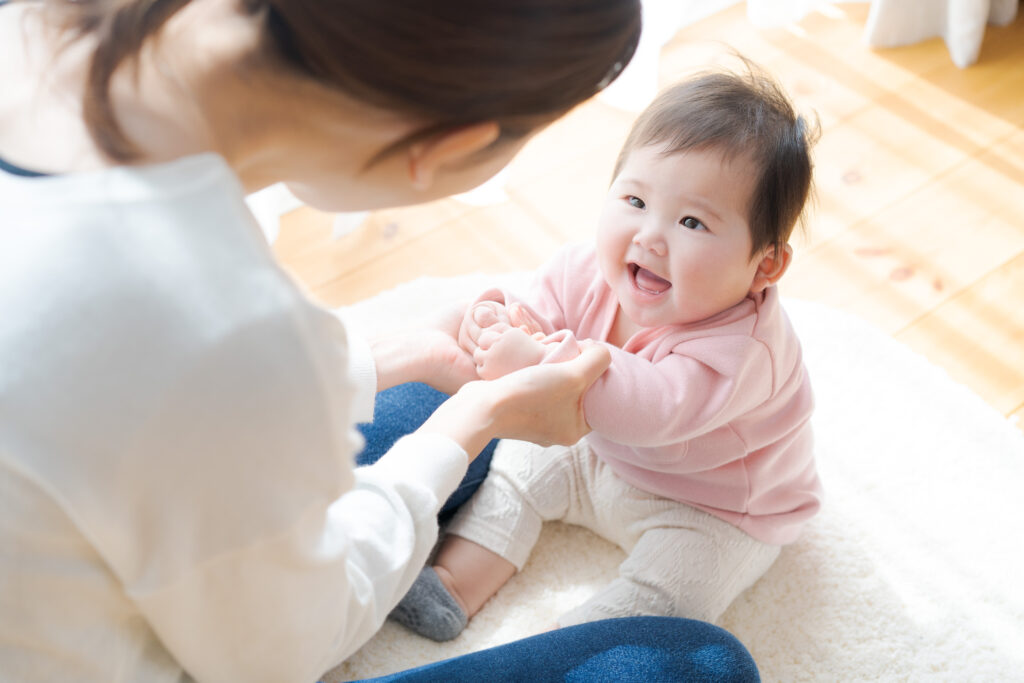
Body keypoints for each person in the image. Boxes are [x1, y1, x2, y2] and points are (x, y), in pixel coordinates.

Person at [0, 0, 764, 680]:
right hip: (228, 640)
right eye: (631, 198)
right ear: (450, 144)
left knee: (427, 392)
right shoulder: (216, 322)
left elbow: (153, 393)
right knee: (698, 662)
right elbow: (283, 651)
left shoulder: (38, 33)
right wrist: (480, 416)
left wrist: (389, 360)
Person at [388, 64, 824, 642]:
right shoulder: (589, 268)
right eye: (636, 200)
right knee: (517, 470)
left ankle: (565, 641)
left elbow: (653, 408)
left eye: (692, 221)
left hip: (712, 507)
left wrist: (542, 360)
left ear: (763, 265)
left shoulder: (747, 350)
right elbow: (537, 309)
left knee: (677, 590)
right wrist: (498, 322)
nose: (650, 236)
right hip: (595, 454)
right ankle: (453, 583)